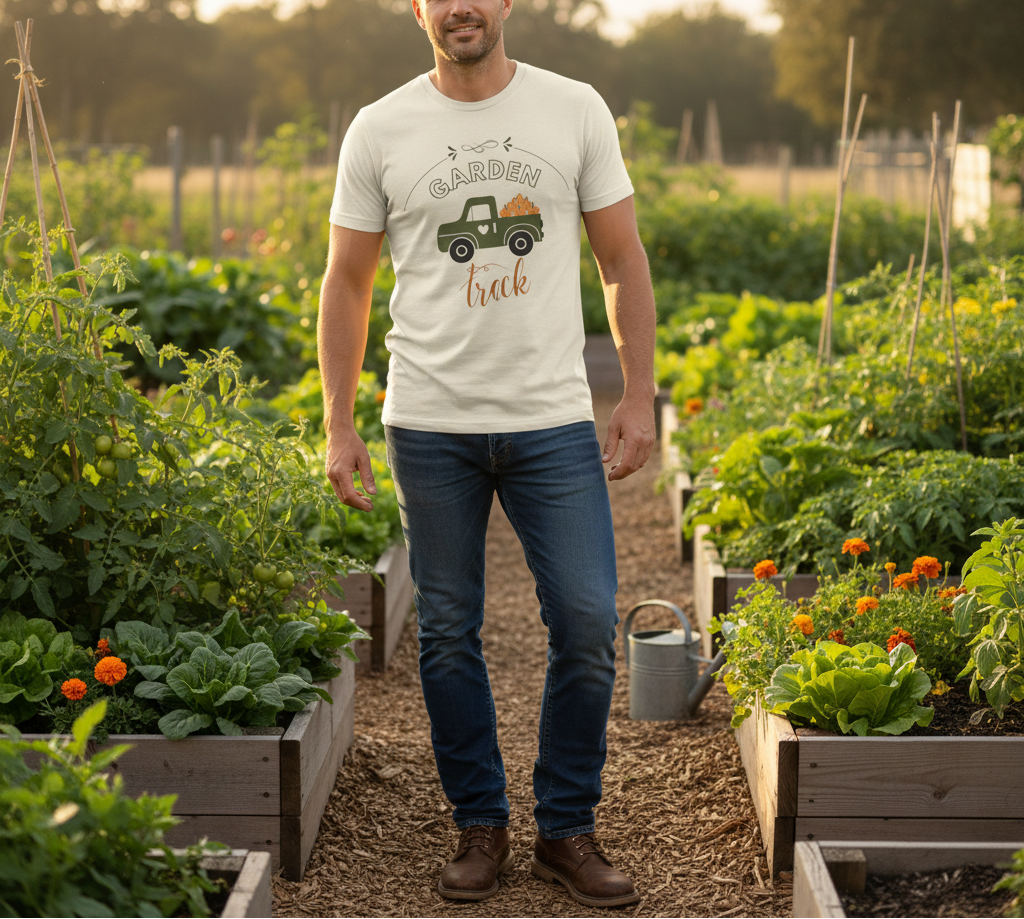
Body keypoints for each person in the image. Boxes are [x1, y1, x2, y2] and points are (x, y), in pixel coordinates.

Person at [320, 0, 656, 907]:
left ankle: (566, 826)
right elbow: (347, 280)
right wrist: (339, 421)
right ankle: (480, 822)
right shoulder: (380, 127)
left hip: (551, 419)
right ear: (418, 7)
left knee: (586, 620)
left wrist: (636, 392)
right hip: (429, 422)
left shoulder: (574, 107)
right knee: (446, 631)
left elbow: (620, 258)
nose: (460, 5)